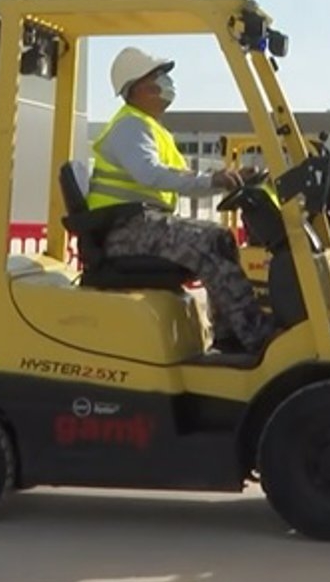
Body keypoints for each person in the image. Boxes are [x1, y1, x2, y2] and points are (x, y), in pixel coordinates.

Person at [87, 47, 277, 354]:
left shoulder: (147, 127)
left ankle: (231, 337)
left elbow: (178, 177)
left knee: (221, 238)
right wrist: (213, 180)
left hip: (141, 224)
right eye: (157, 77)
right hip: (124, 230)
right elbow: (151, 174)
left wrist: (226, 178)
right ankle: (258, 338)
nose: (166, 83)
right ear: (136, 87)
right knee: (204, 247)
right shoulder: (130, 127)